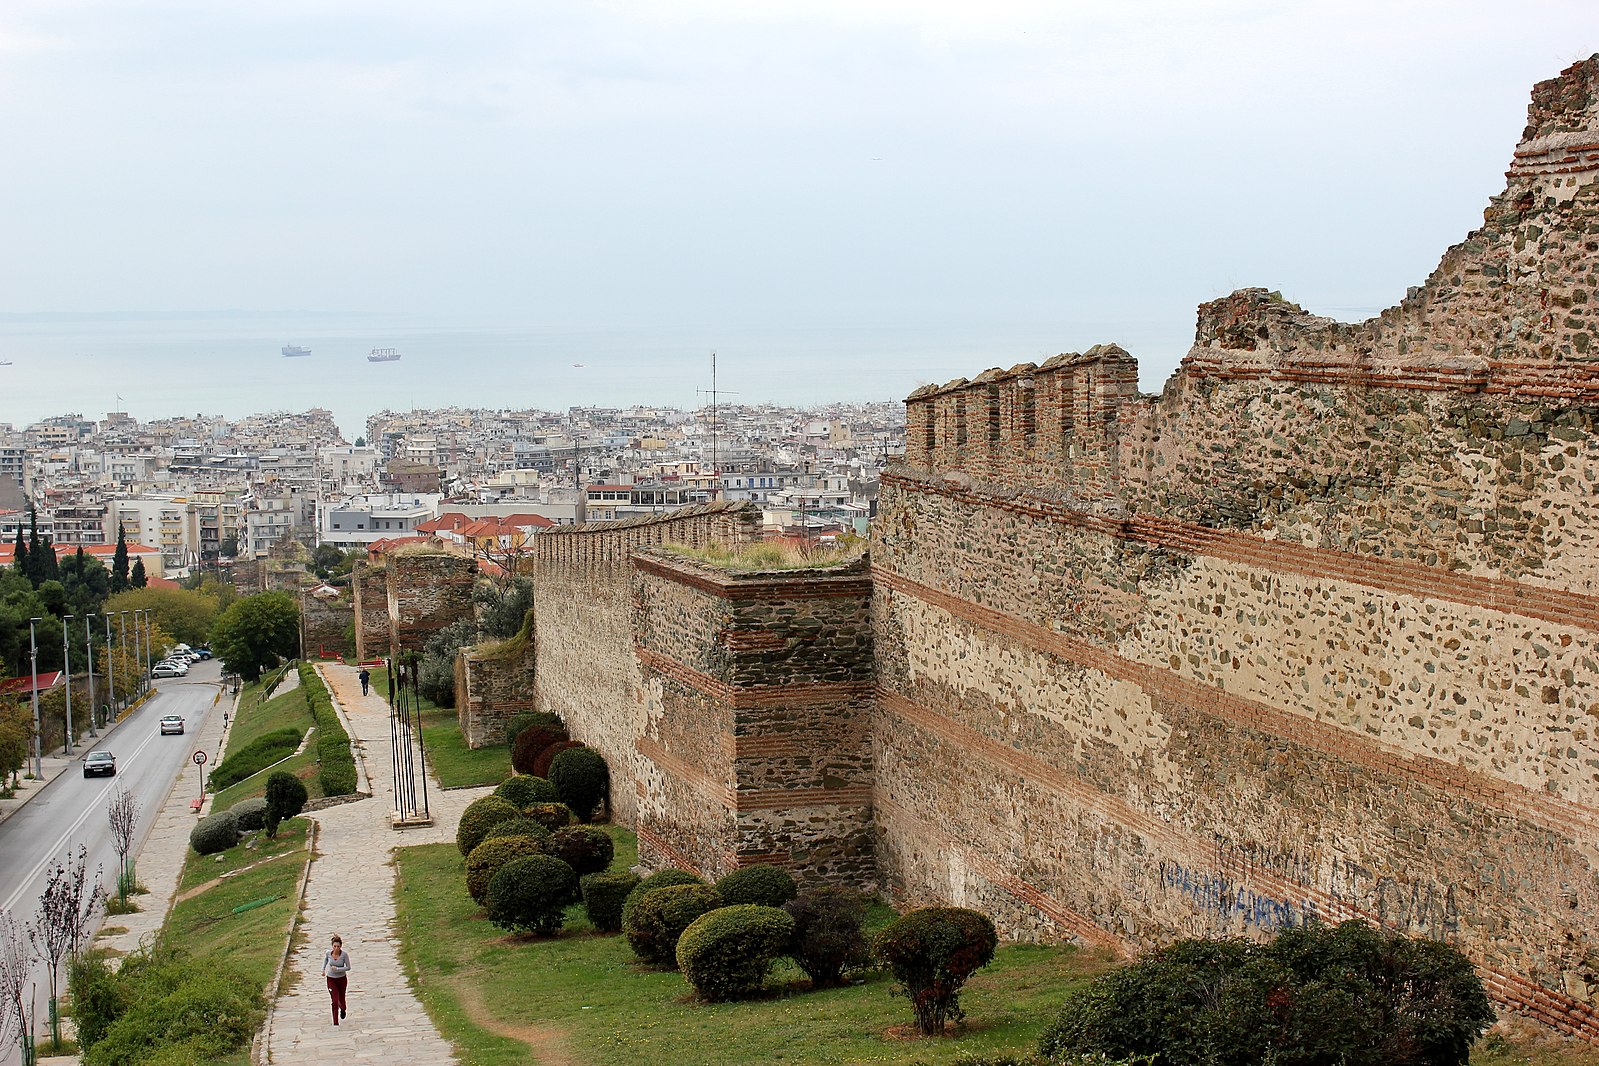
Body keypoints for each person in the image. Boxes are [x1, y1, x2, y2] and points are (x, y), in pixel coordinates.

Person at [322, 934, 352, 1024]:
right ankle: (335, 1022)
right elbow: (325, 960)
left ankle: (343, 1009)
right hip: (331, 979)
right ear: (332, 946)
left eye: (338, 946)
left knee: (341, 1000)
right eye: (334, 946)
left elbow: (348, 967)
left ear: (340, 946)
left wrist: (338, 969)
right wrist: (323, 969)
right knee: (334, 1000)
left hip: (341, 979)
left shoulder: (344, 955)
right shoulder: (328, 953)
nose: (336, 948)